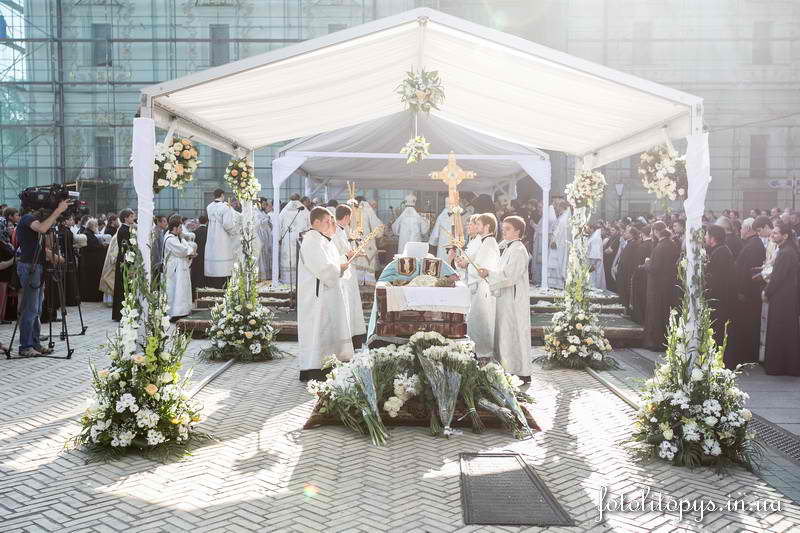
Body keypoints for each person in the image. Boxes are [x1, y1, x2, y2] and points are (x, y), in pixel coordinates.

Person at [297, 207, 354, 381]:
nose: (331, 224)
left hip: (327, 293)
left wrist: (344, 262)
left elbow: (331, 262)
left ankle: (330, 364)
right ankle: (315, 369)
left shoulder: (322, 239)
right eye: (327, 221)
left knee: (328, 330)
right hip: (317, 296)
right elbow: (323, 268)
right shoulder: (311, 241)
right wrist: (339, 267)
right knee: (319, 330)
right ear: (316, 222)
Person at [478, 216, 532, 381]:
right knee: (505, 333)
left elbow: (510, 275)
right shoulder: (509, 247)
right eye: (503, 228)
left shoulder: (519, 250)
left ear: (518, 231)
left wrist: (489, 273)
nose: (504, 231)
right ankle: (506, 368)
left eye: (508, 228)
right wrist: (489, 272)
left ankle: (520, 370)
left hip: (514, 300)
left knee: (513, 333)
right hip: (505, 298)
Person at [16, 199, 70, 356]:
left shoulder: (33, 221)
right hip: (29, 267)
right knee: (30, 309)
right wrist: (58, 210)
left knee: (37, 309)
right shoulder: (27, 218)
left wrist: (54, 256)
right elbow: (42, 228)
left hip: (36, 267)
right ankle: (25, 346)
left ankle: (35, 343)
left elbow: (41, 246)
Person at [457, 213, 499, 359]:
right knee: (476, 319)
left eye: (479, 224)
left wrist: (468, 264)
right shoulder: (484, 241)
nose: (476, 226)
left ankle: (483, 351)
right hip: (479, 285)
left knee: (482, 320)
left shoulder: (489, 243)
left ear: (487, 226)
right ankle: (476, 349)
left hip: (484, 286)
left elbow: (482, 267)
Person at [727, 216, 768, 368]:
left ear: (748, 229)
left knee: (748, 324)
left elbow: (747, 271)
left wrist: (742, 290)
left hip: (748, 294)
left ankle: (748, 354)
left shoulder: (754, 245)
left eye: (742, 228)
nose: (740, 231)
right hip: (747, 292)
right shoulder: (752, 243)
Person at [762, 221, 800, 376]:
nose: (772, 235)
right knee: (784, 331)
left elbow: (778, 277)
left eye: (776, 233)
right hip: (786, 296)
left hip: (783, 298)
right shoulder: (787, 250)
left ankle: (779, 366)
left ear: (785, 236)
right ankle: (786, 366)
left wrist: (767, 292)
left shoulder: (786, 252)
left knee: (780, 330)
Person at [332, 205, 366, 345]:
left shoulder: (341, 230)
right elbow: (337, 254)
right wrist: (352, 254)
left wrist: (354, 253)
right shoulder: (335, 232)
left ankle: (354, 335)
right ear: (346, 217)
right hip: (342, 273)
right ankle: (349, 337)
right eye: (350, 217)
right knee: (347, 304)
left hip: (348, 272)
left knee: (352, 304)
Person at [641, 222, 679, 350]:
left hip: (657, 286)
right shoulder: (672, 244)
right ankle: (664, 341)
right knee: (665, 314)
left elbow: (654, 268)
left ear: (656, 231)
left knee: (656, 313)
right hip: (669, 285)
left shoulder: (660, 247)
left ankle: (654, 342)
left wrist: (647, 263)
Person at [704, 224, 736, 353]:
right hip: (717, 297)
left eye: (706, 235)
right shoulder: (719, 250)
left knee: (717, 328)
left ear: (713, 238)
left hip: (719, 298)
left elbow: (717, 278)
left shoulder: (721, 252)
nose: (705, 237)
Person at [162, 219, 197, 319]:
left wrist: (190, 252)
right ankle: (175, 312)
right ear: (175, 228)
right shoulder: (169, 239)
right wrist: (190, 252)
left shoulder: (178, 237)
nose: (182, 229)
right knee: (176, 290)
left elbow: (187, 246)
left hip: (181, 266)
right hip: (174, 269)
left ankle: (183, 311)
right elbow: (182, 250)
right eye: (180, 227)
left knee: (182, 289)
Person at [204, 189, 237, 289]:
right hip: (223, 238)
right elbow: (227, 224)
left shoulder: (209, 207)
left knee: (214, 259)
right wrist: (234, 232)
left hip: (212, 237)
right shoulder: (225, 207)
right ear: (222, 195)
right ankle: (225, 287)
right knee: (224, 263)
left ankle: (214, 287)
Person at [279, 193, 311, 285]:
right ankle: (300, 281)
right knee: (300, 259)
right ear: (299, 199)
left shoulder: (284, 211)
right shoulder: (304, 210)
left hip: (287, 240)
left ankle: (287, 281)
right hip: (301, 239)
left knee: (288, 260)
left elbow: (278, 225)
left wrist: (279, 238)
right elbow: (310, 225)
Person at [351, 197, 384, 285]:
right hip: (367, 243)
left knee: (357, 266)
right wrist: (381, 231)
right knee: (368, 266)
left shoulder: (352, 209)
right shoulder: (367, 209)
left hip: (355, 243)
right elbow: (377, 227)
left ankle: (357, 286)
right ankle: (369, 288)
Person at [111, 209, 135, 321]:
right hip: (125, 261)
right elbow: (126, 248)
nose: (133, 218)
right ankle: (121, 313)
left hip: (126, 260)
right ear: (125, 218)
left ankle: (124, 312)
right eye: (131, 216)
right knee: (123, 287)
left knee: (125, 287)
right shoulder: (124, 230)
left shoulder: (127, 229)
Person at [78, 218, 105, 302]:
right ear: (92, 226)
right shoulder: (87, 234)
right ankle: (91, 297)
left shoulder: (89, 234)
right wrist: (102, 246)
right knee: (91, 281)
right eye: (96, 226)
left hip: (91, 263)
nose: (97, 227)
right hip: (90, 263)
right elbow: (92, 247)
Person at [547, 199, 570, 289]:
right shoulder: (563, 217)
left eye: (558, 207)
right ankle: (555, 283)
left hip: (558, 244)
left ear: (561, 207)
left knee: (558, 263)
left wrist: (554, 241)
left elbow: (559, 232)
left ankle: (557, 283)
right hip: (559, 243)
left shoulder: (563, 219)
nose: (557, 209)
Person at [191, 215, 208, 298]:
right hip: (207, 257)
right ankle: (205, 294)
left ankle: (195, 295)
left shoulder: (194, 232)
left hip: (197, 257)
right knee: (205, 276)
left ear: (199, 221)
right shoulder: (209, 232)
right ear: (207, 221)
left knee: (196, 276)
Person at [255, 198, 273, 281]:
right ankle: (260, 276)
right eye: (264, 204)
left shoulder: (262, 212)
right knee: (261, 256)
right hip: (259, 236)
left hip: (265, 237)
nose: (265, 206)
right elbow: (257, 224)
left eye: (266, 204)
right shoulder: (255, 212)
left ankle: (267, 275)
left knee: (266, 255)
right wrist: (266, 220)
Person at [587, 224, 606, 290]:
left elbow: (595, 253)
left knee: (594, 282)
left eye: (588, 228)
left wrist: (593, 264)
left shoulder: (596, 238)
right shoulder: (594, 237)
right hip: (592, 263)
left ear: (592, 229)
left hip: (594, 264)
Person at [150, 215, 168, 279]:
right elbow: (155, 249)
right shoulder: (156, 232)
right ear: (158, 222)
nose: (166, 223)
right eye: (164, 221)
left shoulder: (160, 231)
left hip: (160, 261)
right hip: (156, 263)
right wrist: (158, 263)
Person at [603, 224, 620, 290]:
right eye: (611, 230)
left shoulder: (617, 239)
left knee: (610, 277)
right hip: (607, 260)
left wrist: (604, 251)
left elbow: (610, 250)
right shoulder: (611, 238)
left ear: (617, 231)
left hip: (612, 260)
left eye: (613, 230)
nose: (611, 231)